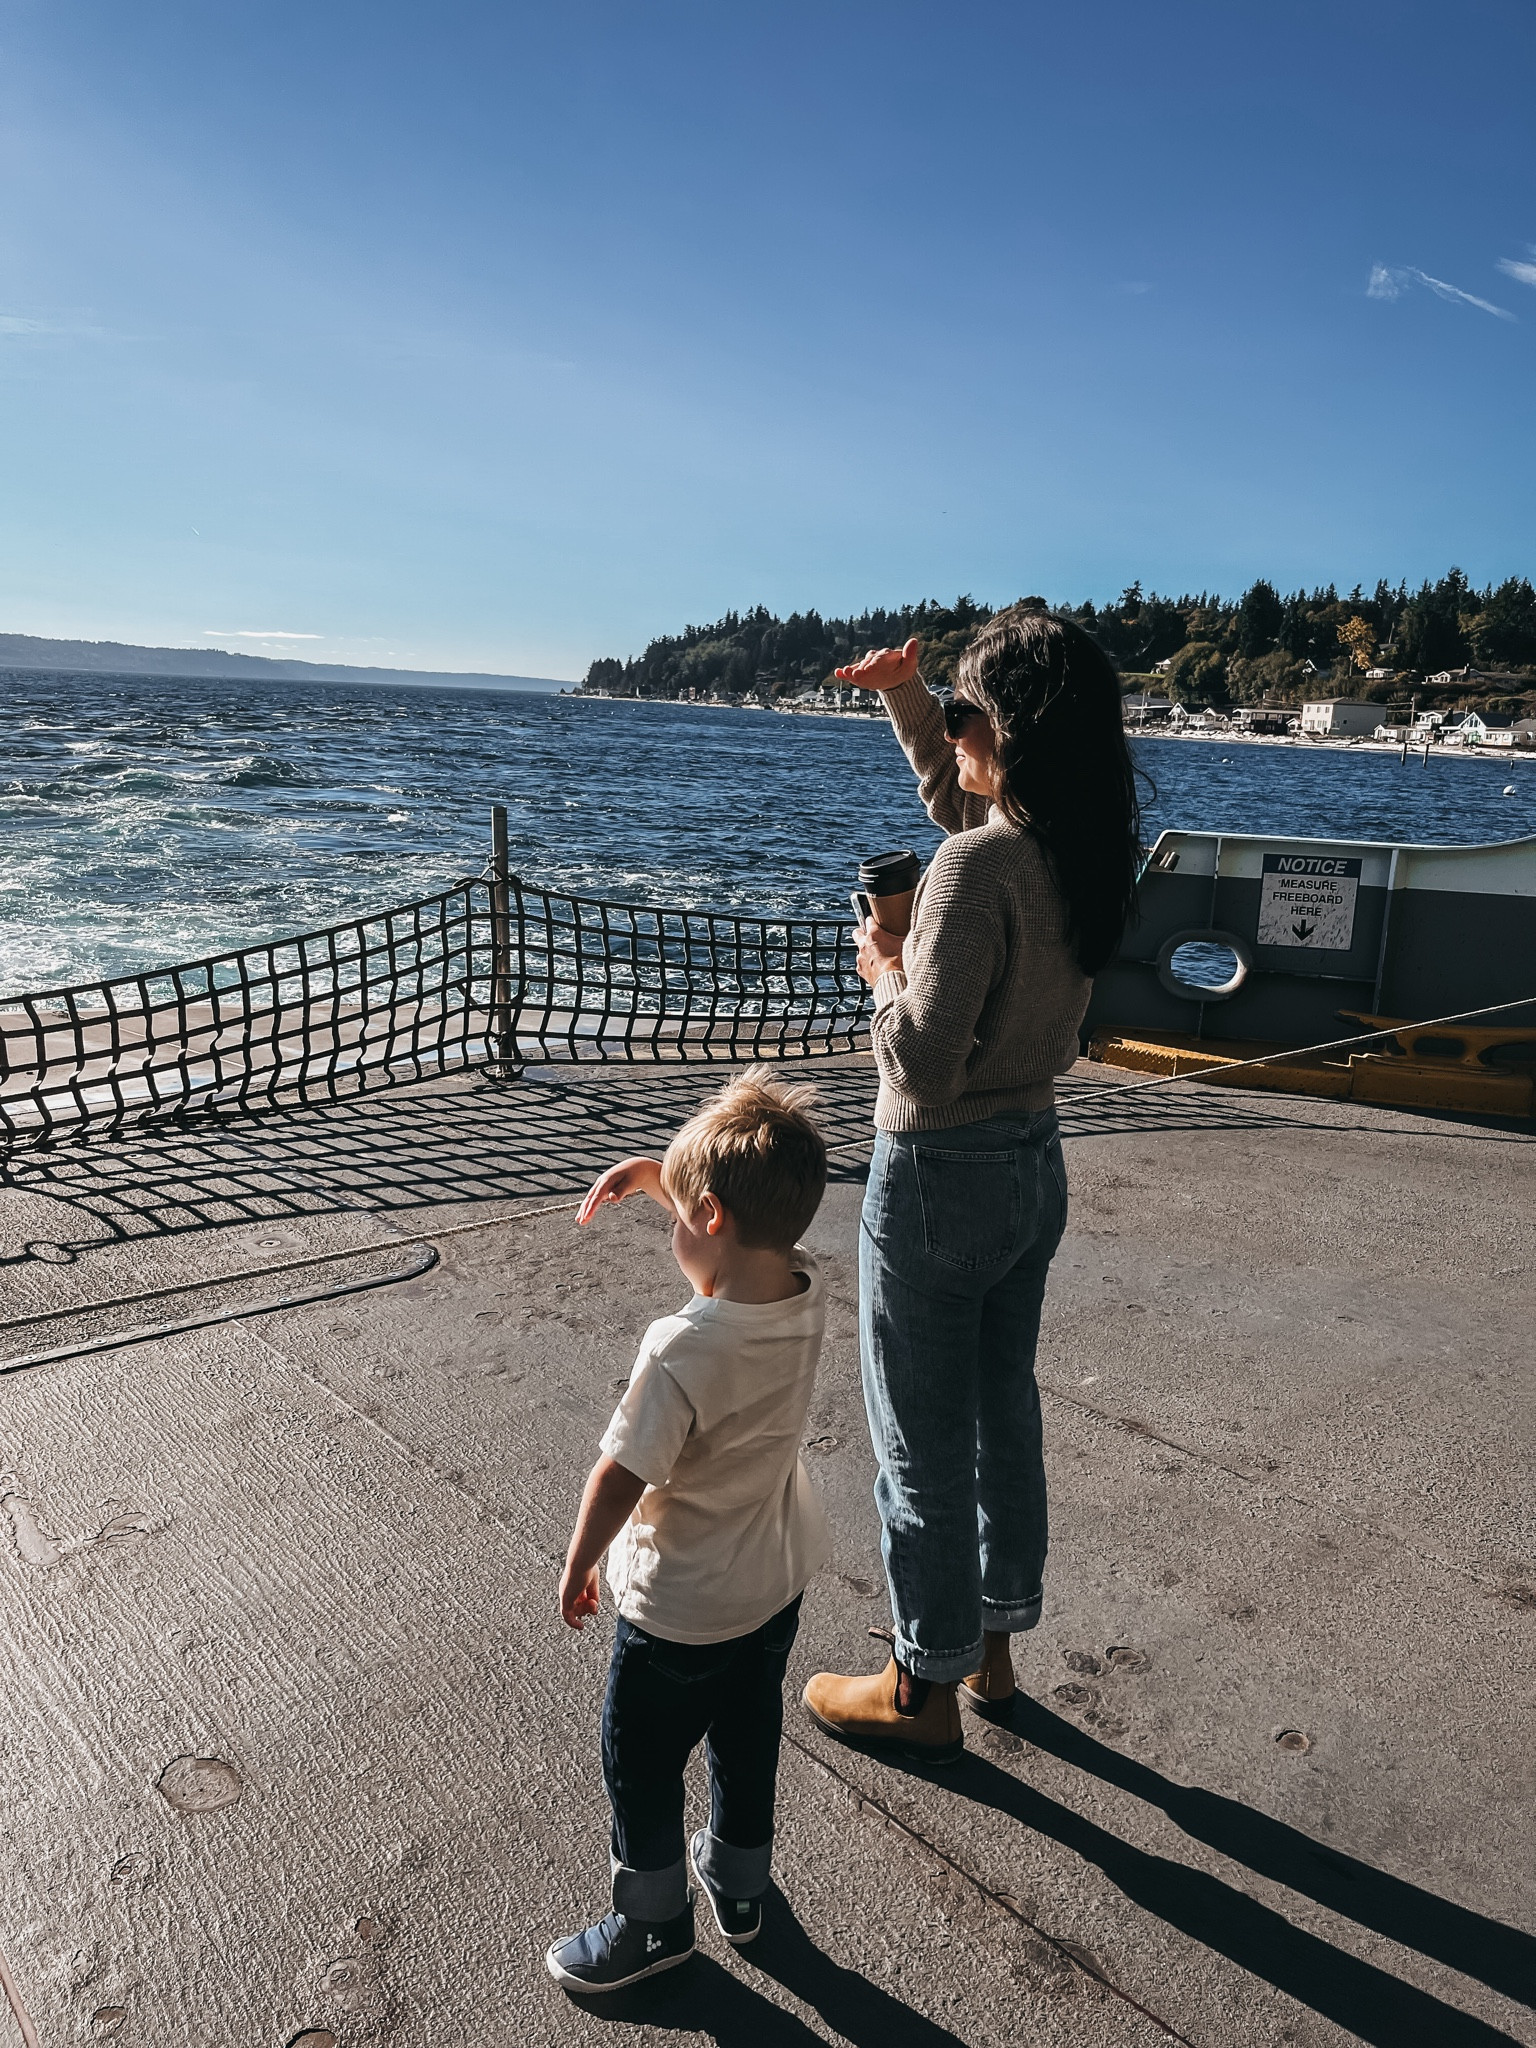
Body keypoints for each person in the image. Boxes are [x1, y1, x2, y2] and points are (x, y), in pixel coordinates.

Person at [802, 601, 1141, 1762]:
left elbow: (922, 1057)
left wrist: (885, 962)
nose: (950, 731)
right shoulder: (1076, 848)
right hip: (1034, 1162)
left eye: (961, 713)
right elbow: (964, 807)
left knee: (919, 1438)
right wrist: (908, 696)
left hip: (939, 1171)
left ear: (1008, 727)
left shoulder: (974, 867)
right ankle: (992, 1650)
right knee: (1004, 1416)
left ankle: (918, 1682)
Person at [545, 1069, 831, 1994]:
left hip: (683, 1606)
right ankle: (740, 1889)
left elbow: (621, 1471)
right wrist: (660, 1179)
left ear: (707, 1217)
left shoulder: (682, 1347)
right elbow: (741, 1228)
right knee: (747, 1738)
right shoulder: (803, 1290)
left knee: (638, 1761)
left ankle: (653, 1923)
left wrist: (580, 1562)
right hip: (773, 1581)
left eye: (678, 1217)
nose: (672, 1233)